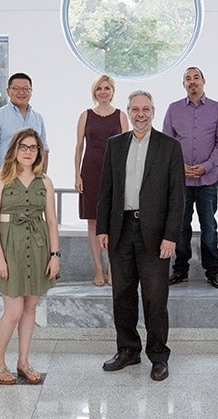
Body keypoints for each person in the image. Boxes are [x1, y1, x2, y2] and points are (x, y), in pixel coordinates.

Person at [96, 90, 185, 382]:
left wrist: (171, 236)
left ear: (153, 111)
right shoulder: (116, 145)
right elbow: (106, 189)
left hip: (156, 235)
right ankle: (128, 350)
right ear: (128, 111)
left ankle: (158, 356)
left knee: (155, 299)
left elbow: (177, 197)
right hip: (121, 230)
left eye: (145, 108)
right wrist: (103, 228)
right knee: (122, 295)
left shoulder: (169, 146)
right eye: (135, 109)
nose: (140, 114)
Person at [0, 127, 60, 384]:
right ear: (14, 149)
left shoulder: (45, 181)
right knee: (13, 311)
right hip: (9, 247)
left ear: (39, 152)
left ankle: (24, 361)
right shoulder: (0, 178)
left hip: (38, 246)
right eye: (23, 147)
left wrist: (54, 255)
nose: (28, 152)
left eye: (33, 148)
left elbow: (51, 220)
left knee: (30, 308)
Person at [163, 66, 218, 289]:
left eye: (196, 78)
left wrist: (207, 166)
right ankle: (180, 270)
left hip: (207, 181)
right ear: (183, 84)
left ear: (204, 81)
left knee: (209, 227)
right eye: (188, 79)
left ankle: (212, 272)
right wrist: (178, 167)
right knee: (180, 226)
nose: (192, 82)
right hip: (180, 181)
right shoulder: (173, 110)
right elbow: (167, 143)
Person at [74, 75, 128, 286]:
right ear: (94, 92)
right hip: (91, 171)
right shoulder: (85, 115)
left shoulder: (121, 116)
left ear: (113, 91)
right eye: (100, 88)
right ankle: (98, 268)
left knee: (115, 221)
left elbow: (127, 148)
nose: (103, 92)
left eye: (107, 88)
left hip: (115, 173)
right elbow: (79, 147)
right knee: (93, 221)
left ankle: (112, 267)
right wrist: (77, 174)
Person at [0, 72, 49, 174]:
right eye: (16, 88)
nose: (21, 93)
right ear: (8, 91)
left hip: (33, 177)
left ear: (31, 92)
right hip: (7, 176)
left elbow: (44, 149)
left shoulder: (38, 118)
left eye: (26, 89)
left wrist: (43, 177)